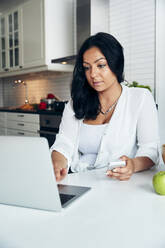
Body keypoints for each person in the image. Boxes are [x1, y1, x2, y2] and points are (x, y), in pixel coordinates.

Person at [51, 32, 162, 181]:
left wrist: (132, 165)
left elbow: (151, 150)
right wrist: (57, 165)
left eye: (101, 65)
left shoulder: (140, 98)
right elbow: (64, 143)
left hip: (121, 185)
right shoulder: (76, 102)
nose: (93, 74)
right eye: (87, 68)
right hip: (80, 182)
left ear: (115, 63)